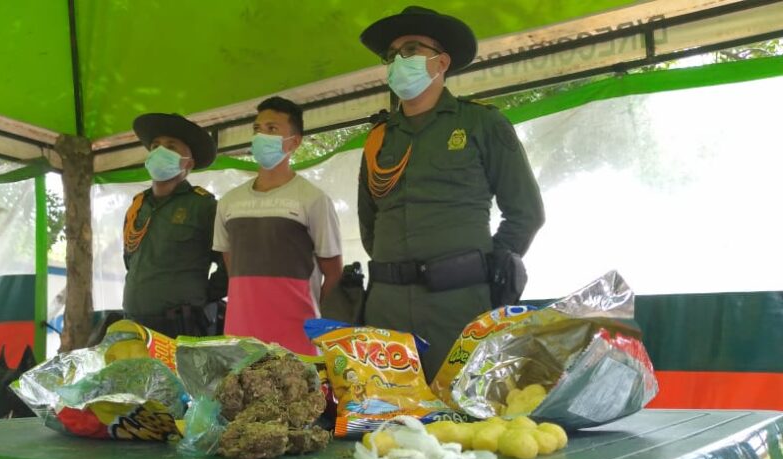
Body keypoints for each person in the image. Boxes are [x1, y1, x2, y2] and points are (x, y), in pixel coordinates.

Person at [357, 6, 545, 378]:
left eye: (410, 50)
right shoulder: (379, 138)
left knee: (460, 405)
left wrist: (484, 268)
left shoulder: (482, 123)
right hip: (386, 308)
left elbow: (525, 213)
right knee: (389, 409)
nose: (398, 61)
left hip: (459, 305)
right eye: (391, 56)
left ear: (441, 62)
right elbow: (369, 224)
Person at [213, 97, 343, 354]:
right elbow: (232, 265)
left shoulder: (313, 199)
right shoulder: (228, 202)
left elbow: (334, 272)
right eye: (257, 128)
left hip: (298, 342)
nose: (261, 135)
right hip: (241, 341)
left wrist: (311, 317)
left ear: (295, 142)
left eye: (272, 128)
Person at [121, 113, 227, 337]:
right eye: (155, 146)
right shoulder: (138, 206)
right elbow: (130, 261)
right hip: (135, 324)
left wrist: (200, 296)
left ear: (188, 163)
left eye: (171, 146)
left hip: (181, 327)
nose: (160, 151)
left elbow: (229, 265)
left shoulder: (203, 206)